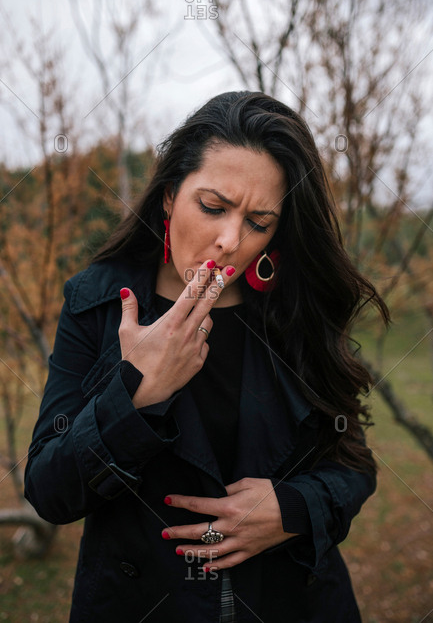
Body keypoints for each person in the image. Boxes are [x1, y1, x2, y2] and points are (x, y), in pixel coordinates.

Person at [24, 90, 389, 623]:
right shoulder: (98, 301)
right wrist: (137, 393)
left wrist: (292, 510)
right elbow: (49, 490)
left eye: (258, 223)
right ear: (170, 195)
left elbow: (353, 466)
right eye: (213, 207)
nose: (229, 240)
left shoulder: (295, 309)